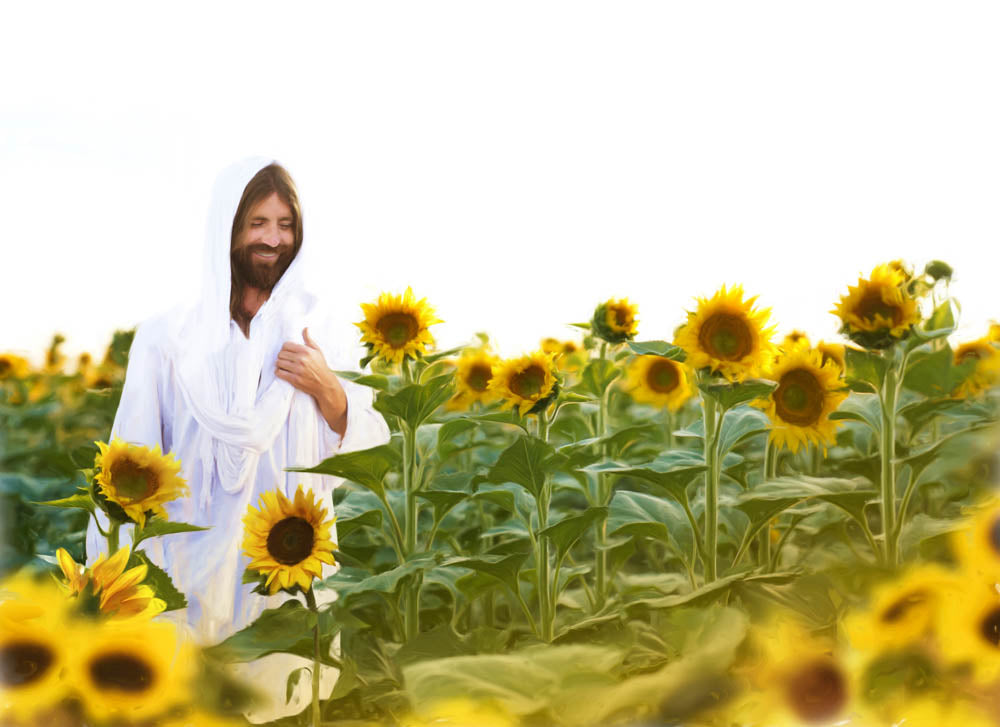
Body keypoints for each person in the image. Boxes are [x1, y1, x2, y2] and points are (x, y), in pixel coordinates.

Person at [86, 157, 390, 720]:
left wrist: (330, 390)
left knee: (284, 699)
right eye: (256, 223)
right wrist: (110, 581)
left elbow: (370, 455)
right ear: (226, 229)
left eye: (285, 225)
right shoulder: (169, 338)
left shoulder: (319, 335)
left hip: (285, 567)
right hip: (185, 569)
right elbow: (127, 462)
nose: (273, 240)